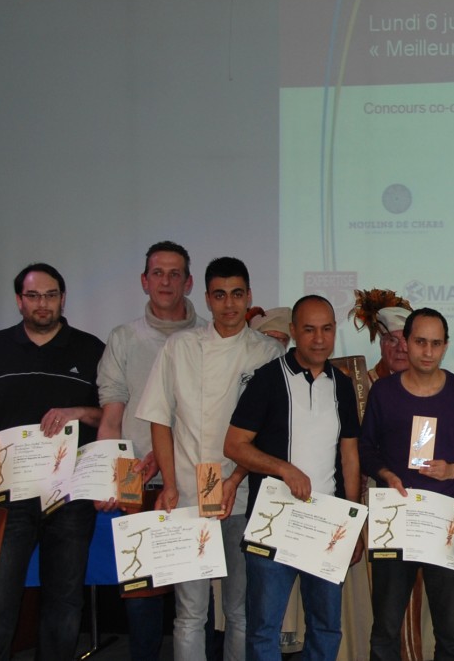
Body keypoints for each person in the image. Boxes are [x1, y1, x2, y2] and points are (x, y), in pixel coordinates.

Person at [134, 256, 282, 661]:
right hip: (187, 493)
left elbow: (268, 435)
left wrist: (235, 479)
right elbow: (160, 419)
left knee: (239, 611)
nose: (229, 304)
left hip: (243, 491)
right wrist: (168, 483)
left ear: (249, 296)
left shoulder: (267, 353)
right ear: (207, 298)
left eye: (237, 294)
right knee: (190, 614)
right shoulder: (179, 347)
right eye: (220, 295)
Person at [0, 263, 105, 661]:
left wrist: (78, 411)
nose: (43, 304)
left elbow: (108, 416)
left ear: (63, 298)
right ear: (19, 301)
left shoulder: (91, 349)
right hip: (8, 495)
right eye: (33, 296)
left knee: (64, 605)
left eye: (51, 295)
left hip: (70, 496)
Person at [224, 294, 363, 661]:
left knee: (326, 626)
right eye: (309, 329)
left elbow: (350, 456)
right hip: (274, 522)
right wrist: (283, 468)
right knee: (264, 629)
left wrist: (354, 523)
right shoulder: (268, 380)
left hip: (326, 525)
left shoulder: (343, 385)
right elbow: (235, 445)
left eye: (327, 329)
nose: (319, 339)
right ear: (293, 332)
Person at [96, 240, 206, 660]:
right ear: (144, 281)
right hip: (136, 479)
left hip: (196, 480)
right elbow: (111, 416)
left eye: (175, 273)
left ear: (189, 282)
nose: (166, 281)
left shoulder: (208, 337)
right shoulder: (124, 338)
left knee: (197, 596)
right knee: (141, 597)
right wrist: (111, 477)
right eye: (157, 273)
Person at [359, 307, 454, 660]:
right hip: (395, 519)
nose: (427, 352)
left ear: (445, 346)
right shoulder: (384, 393)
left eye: (435, 343)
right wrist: (385, 474)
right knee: (385, 627)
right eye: (420, 342)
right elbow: (366, 448)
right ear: (407, 342)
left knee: (450, 628)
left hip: (443, 519)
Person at [349, 288, 413, 382]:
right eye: (392, 340)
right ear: (381, 345)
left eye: (406, 340)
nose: (401, 348)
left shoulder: (432, 383)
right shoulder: (362, 386)